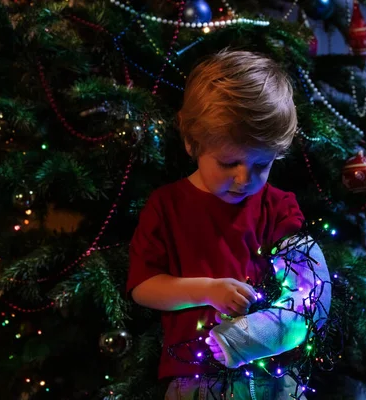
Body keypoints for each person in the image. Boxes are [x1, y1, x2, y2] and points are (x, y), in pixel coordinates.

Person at [127, 49, 331, 400]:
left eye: (261, 165)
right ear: (192, 142)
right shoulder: (167, 206)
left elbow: (309, 288)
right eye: (228, 162)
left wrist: (260, 331)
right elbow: (143, 287)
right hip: (195, 378)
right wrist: (207, 290)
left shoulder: (278, 206)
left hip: (273, 378)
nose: (244, 178)